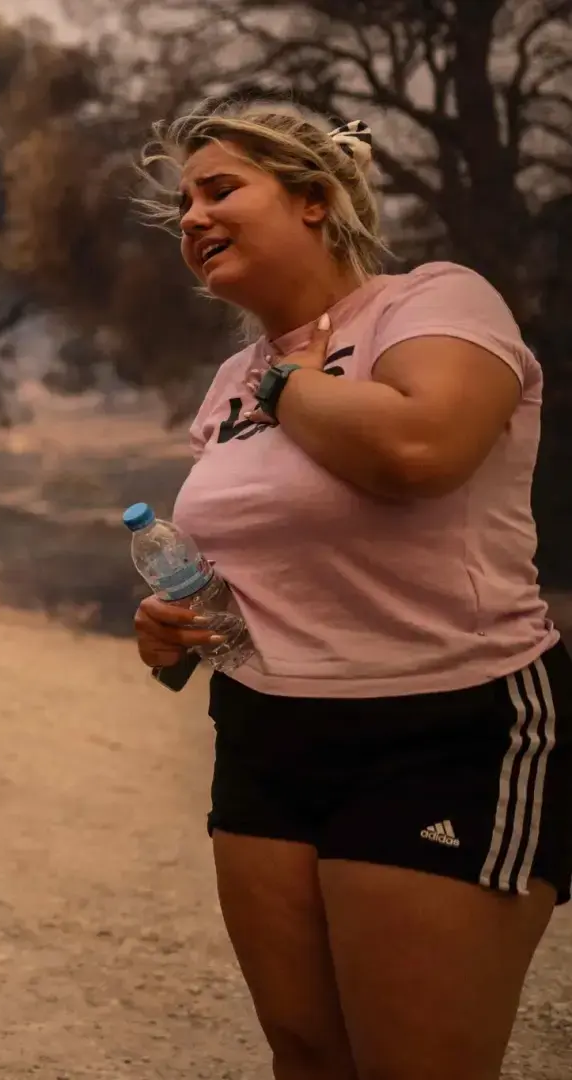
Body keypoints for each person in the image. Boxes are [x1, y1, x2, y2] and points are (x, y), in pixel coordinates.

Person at [131, 99, 569, 1080]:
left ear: (316, 200)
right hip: (266, 737)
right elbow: (246, 571)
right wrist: (168, 630)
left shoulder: (434, 304)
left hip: (445, 725)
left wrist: (289, 384)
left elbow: (421, 449)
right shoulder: (227, 383)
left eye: (220, 189)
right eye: (184, 203)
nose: (191, 217)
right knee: (307, 1055)